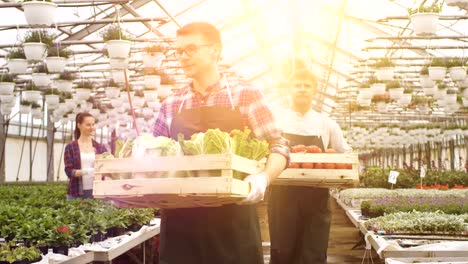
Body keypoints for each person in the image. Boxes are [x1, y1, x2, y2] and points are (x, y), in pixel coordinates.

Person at [151, 22, 289, 264]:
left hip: (232, 222)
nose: (183, 57)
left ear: (215, 50)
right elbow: (154, 158)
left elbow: (278, 146)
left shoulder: (244, 95)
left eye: (191, 49)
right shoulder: (171, 104)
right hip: (180, 226)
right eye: (179, 51)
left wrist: (263, 178)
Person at [268, 59, 352, 264]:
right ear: (289, 90)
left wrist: (349, 171)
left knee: (313, 252)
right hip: (282, 197)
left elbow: (344, 153)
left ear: (315, 91)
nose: (302, 89)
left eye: (307, 86)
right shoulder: (275, 120)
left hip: (316, 197)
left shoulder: (327, 124)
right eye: (297, 85)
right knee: (283, 250)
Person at [64, 112, 107, 199]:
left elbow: (106, 167)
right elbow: (69, 171)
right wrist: (89, 171)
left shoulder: (100, 147)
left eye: (93, 124)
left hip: (97, 191)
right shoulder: (71, 147)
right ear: (79, 125)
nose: (92, 128)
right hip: (76, 193)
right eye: (88, 125)